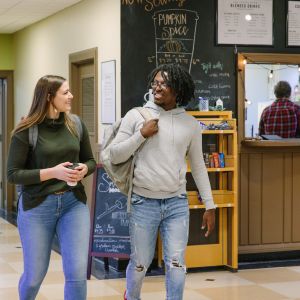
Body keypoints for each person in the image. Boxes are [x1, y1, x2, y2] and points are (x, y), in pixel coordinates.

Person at [110, 63, 216, 300]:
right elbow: (114, 155)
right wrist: (141, 134)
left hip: (177, 204)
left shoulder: (190, 124)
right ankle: (132, 296)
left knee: (177, 264)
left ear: (178, 89)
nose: (157, 87)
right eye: (155, 82)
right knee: (140, 264)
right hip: (142, 202)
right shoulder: (136, 116)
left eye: (164, 83)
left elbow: (198, 167)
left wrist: (210, 205)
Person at [7, 75, 96, 300]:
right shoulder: (26, 130)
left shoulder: (75, 124)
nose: (71, 96)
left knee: (76, 273)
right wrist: (53, 173)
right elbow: (13, 174)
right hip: (37, 207)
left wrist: (84, 169)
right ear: (49, 97)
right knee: (34, 276)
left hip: (73, 204)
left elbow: (91, 161)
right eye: (65, 93)